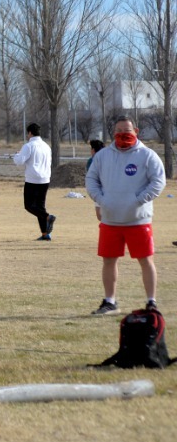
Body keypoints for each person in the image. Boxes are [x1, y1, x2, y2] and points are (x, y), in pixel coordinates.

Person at [85, 116, 165, 315]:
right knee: (109, 260)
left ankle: (151, 302)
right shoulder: (103, 156)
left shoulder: (147, 155)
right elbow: (91, 179)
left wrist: (139, 199)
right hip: (110, 219)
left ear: (136, 131)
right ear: (113, 133)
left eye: (127, 130)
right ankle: (109, 301)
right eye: (119, 130)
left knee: (146, 260)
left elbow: (158, 182)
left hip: (139, 219)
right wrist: (102, 200)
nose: (123, 134)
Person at [13, 122, 55, 241]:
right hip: (45, 179)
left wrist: (16, 155)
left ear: (30, 133)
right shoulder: (47, 146)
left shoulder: (29, 145)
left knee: (29, 206)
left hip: (32, 179)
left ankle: (48, 217)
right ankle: (45, 234)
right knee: (40, 207)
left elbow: (20, 161)